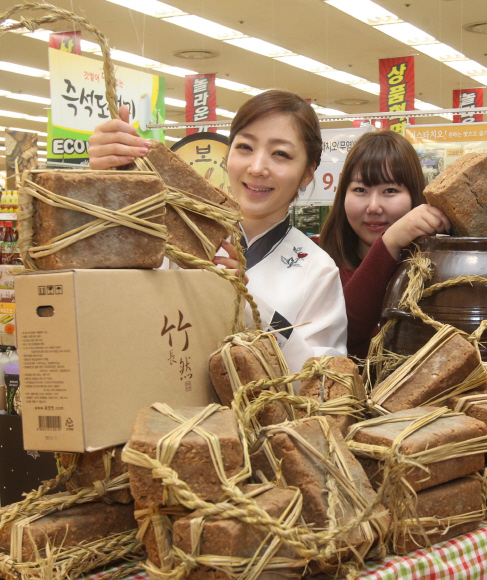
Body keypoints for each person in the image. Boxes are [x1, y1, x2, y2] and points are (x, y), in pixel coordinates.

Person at [88, 90, 348, 373]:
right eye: (245, 147)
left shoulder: (317, 269)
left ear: (308, 172)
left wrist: (246, 305)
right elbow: (105, 305)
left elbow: (324, 385)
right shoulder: (170, 236)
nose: (257, 167)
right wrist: (108, 186)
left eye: (281, 154)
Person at [319, 130, 487, 359]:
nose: (373, 206)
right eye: (360, 190)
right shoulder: (316, 258)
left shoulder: (445, 260)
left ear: (416, 196)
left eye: (390, 190)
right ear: (342, 195)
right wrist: (389, 243)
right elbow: (340, 334)